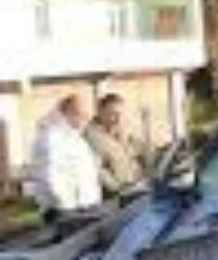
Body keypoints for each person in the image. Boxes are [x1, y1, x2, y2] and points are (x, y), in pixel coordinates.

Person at [31, 95, 103, 225]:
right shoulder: (52, 137)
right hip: (67, 209)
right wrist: (63, 204)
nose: (86, 119)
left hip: (83, 204)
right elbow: (49, 175)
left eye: (86, 115)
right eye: (81, 114)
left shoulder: (73, 136)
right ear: (69, 112)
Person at [83, 94, 146, 200]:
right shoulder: (92, 138)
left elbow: (142, 150)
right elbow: (97, 170)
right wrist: (119, 189)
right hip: (115, 197)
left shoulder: (122, 133)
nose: (118, 119)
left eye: (121, 114)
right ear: (100, 113)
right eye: (113, 114)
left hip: (136, 190)